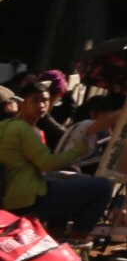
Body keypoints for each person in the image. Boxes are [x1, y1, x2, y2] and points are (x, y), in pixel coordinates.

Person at [0, 79, 119, 239]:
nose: (41, 105)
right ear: (22, 104)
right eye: (35, 101)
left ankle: (55, 239)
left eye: (45, 101)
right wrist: (77, 150)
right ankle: (78, 242)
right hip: (24, 199)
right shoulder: (22, 129)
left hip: (13, 194)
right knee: (103, 186)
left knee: (68, 178)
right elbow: (48, 164)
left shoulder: (7, 125)